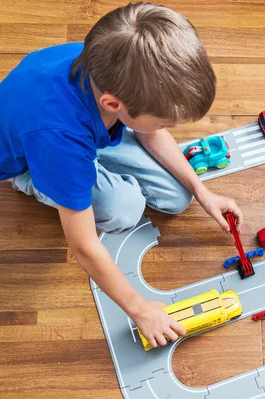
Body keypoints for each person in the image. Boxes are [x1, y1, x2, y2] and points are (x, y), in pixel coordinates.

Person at [0, 3, 244, 348]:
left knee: (177, 197)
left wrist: (202, 191)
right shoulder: (58, 139)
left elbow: (148, 131)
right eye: (162, 123)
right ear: (113, 105)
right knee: (125, 209)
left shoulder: (111, 63)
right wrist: (140, 309)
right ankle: (33, 183)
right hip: (36, 157)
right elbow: (83, 245)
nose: (164, 130)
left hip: (79, 131)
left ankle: (103, 151)